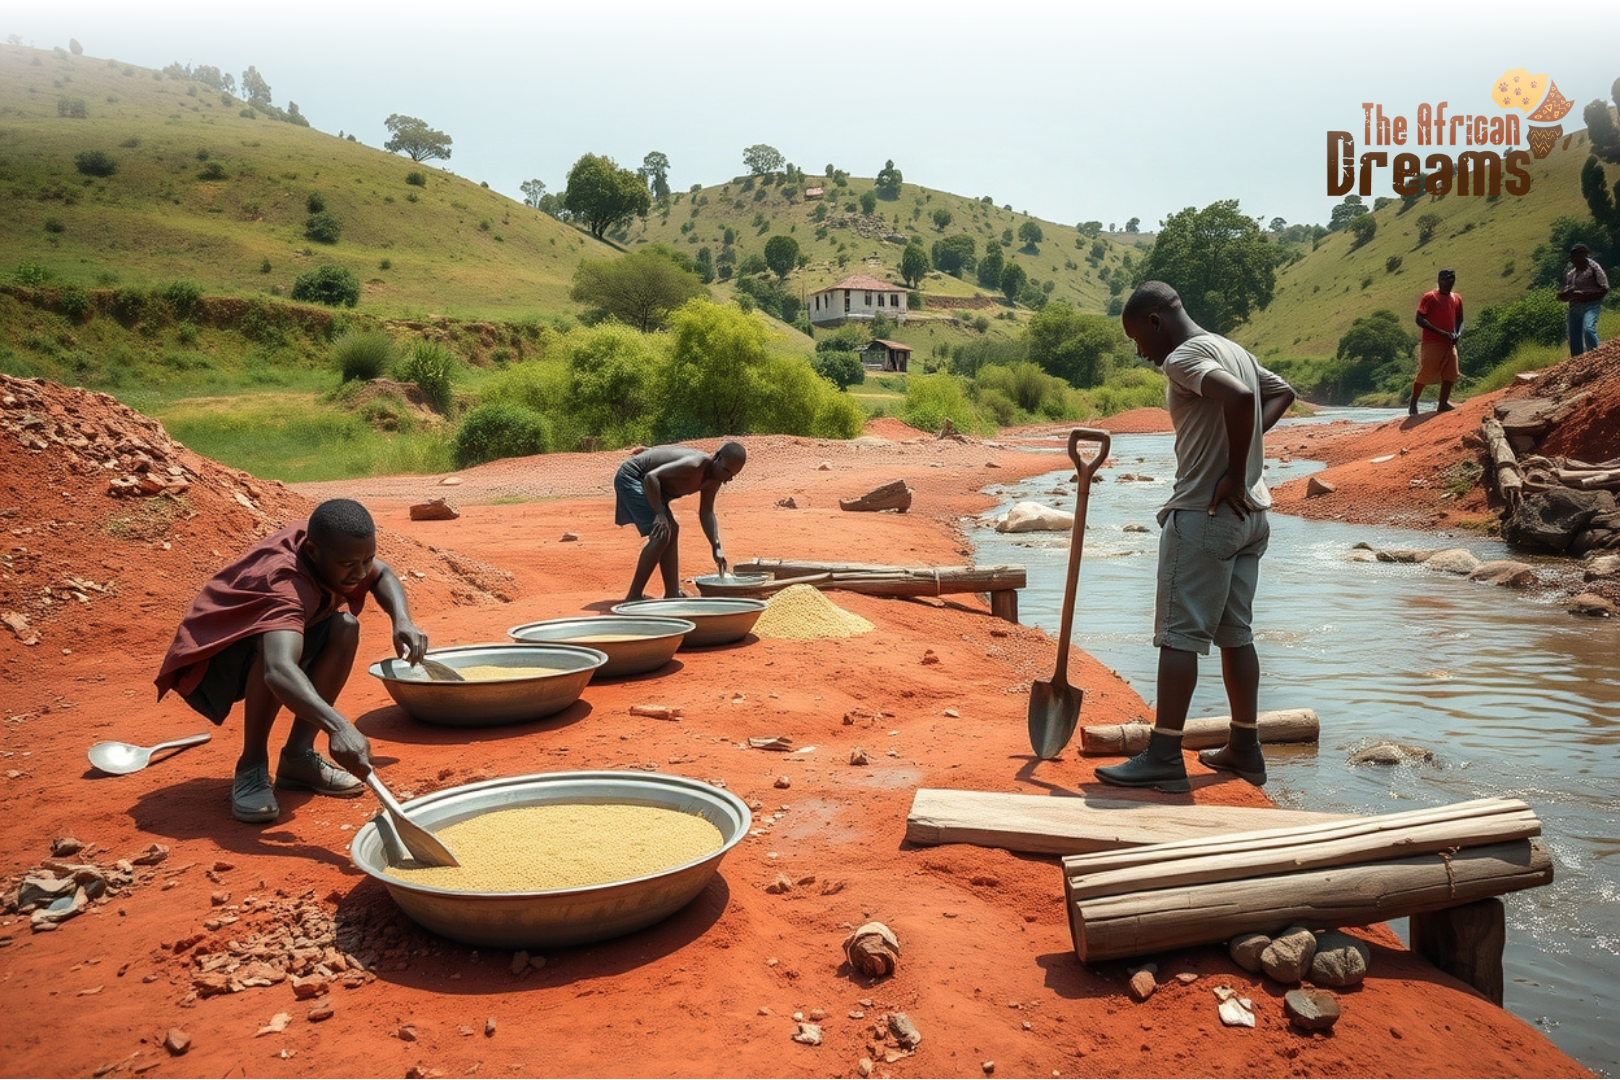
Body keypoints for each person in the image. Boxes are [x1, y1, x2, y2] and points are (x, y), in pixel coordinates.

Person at [1096, 282, 1296, 794]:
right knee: (1236, 634)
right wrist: (1244, 459)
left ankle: (1163, 753)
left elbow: (1242, 397)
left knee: (1179, 636)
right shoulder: (1230, 347)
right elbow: (1279, 392)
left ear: (1155, 321)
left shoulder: (1183, 357)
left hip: (1205, 513)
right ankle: (1245, 750)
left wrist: (1230, 470)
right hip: (1253, 515)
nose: (1140, 352)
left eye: (1137, 337)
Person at [154, 499, 427, 823]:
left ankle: (297, 759)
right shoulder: (285, 585)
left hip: (274, 638)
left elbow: (383, 575)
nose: (360, 572)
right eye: (349, 564)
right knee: (273, 655)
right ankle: (251, 766)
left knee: (344, 629)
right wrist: (338, 726)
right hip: (216, 657)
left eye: (366, 559)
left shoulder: (333, 547)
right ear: (312, 553)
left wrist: (402, 620)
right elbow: (278, 669)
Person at [615, 442, 747, 602]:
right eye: (726, 470)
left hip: (653, 485)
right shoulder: (694, 465)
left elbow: (706, 512)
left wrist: (715, 544)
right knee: (662, 533)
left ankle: (672, 593)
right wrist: (660, 514)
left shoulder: (715, 479)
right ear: (717, 457)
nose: (728, 478)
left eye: (732, 475)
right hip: (633, 477)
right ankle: (633, 596)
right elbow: (651, 477)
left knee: (672, 529)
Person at [1411, 268, 1463, 416]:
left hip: (1450, 342)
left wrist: (1457, 333)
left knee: (1451, 374)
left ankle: (1443, 403)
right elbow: (1419, 319)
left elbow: (1460, 320)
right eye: (1446, 278)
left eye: (1452, 278)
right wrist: (1441, 332)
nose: (1449, 281)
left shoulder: (1457, 298)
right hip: (1432, 341)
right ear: (1439, 280)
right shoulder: (1430, 297)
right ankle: (1413, 403)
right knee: (1426, 373)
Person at [1557, 243, 1609, 356]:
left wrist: (1585, 294)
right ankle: (1577, 361)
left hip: (1591, 305)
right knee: (1574, 338)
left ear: (1584, 255)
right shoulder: (1571, 274)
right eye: (1572, 259)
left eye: (1575, 257)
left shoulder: (1594, 269)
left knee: (1588, 329)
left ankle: (1596, 355)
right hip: (1574, 308)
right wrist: (1564, 296)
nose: (1573, 261)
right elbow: (1569, 290)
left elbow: (1604, 289)